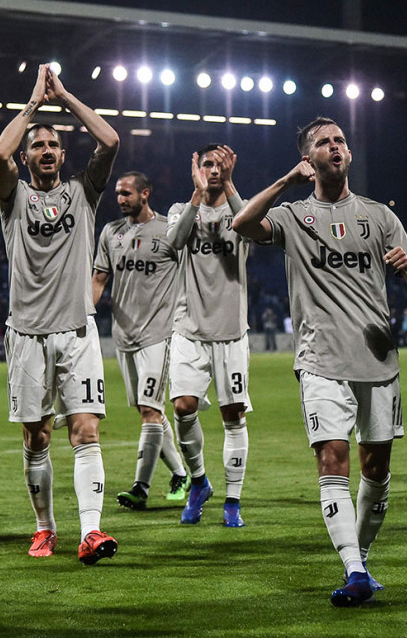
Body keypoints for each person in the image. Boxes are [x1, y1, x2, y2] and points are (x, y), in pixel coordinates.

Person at [233, 116, 407, 607]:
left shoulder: (380, 216)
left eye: (341, 140)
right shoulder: (295, 215)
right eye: (324, 142)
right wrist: (283, 181)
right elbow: (243, 223)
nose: (336, 147)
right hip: (321, 358)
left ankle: (358, 561)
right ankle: (355, 569)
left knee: (376, 467)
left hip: (378, 357)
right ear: (309, 157)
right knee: (332, 458)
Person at [0, 64, 120, 564]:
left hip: (77, 329)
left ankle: (92, 531)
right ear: (28, 159)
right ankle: (44, 528)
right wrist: (32, 105)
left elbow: (109, 142)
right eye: (38, 146)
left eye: (53, 146)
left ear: (64, 156)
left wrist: (65, 98)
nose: (46, 151)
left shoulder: (83, 193)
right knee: (36, 434)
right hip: (26, 332)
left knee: (85, 429)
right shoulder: (14, 198)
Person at [166, 143, 252, 528]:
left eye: (220, 165)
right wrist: (197, 196)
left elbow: (249, 228)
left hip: (231, 331)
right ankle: (199, 481)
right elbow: (173, 242)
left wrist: (230, 186)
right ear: (195, 168)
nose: (213, 170)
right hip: (189, 329)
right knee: (183, 407)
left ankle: (232, 501)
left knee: (232, 416)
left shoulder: (244, 207)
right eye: (206, 165)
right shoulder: (179, 210)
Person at [92, 171, 190, 510]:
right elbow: (99, 278)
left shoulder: (167, 231)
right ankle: (180, 473)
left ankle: (141, 488)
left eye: (127, 193)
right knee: (146, 410)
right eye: (118, 193)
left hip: (158, 333)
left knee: (150, 409)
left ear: (145, 194)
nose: (120, 199)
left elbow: (191, 274)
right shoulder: (110, 233)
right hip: (124, 335)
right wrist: (82, 314)